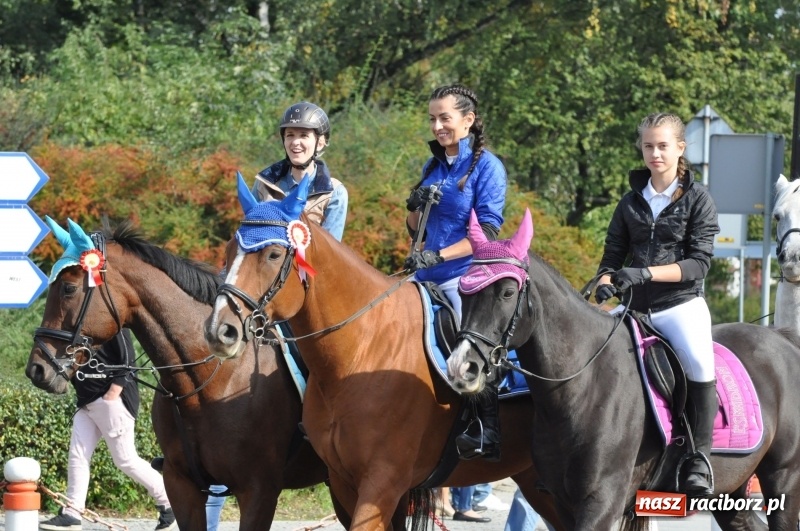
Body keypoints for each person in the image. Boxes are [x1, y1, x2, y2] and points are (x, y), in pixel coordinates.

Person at [594, 112, 720, 497]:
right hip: (634, 307)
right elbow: (612, 256)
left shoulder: (699, 199)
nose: (655, 153)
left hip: (680, 305)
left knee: (699, 362)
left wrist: (646, 273)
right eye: (648, 146)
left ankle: (699, 458)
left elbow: (699, 263)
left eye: (663, 145)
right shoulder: (630, 202)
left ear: (680, 148)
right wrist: (604, 282)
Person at [403, 83, 507, 461]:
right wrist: (413, 207)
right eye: (432, 118)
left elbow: (488, 234)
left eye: (444, 118)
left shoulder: (489, 168)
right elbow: (417, 230)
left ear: (468, 120)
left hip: (463, 277)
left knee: (473, 348)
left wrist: (438, 257)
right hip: (423, 276)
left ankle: (486, 430)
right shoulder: (432, 166)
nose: (436, 126)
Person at [39, 329, 176, 531]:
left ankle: (169, 504)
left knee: (125, 459)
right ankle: (72, 513)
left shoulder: (114, 323)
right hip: (85, 402)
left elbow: (128, 359)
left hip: (111, 401)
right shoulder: (77, 325)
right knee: (77, 456)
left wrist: (113, 393)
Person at [251, 101, 348, 241]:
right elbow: (249, 234)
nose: (295, 142)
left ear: (320, 143)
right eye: (290, 135)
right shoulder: (263, 184)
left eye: (303, 135)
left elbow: (330, 252)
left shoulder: (335, 193)